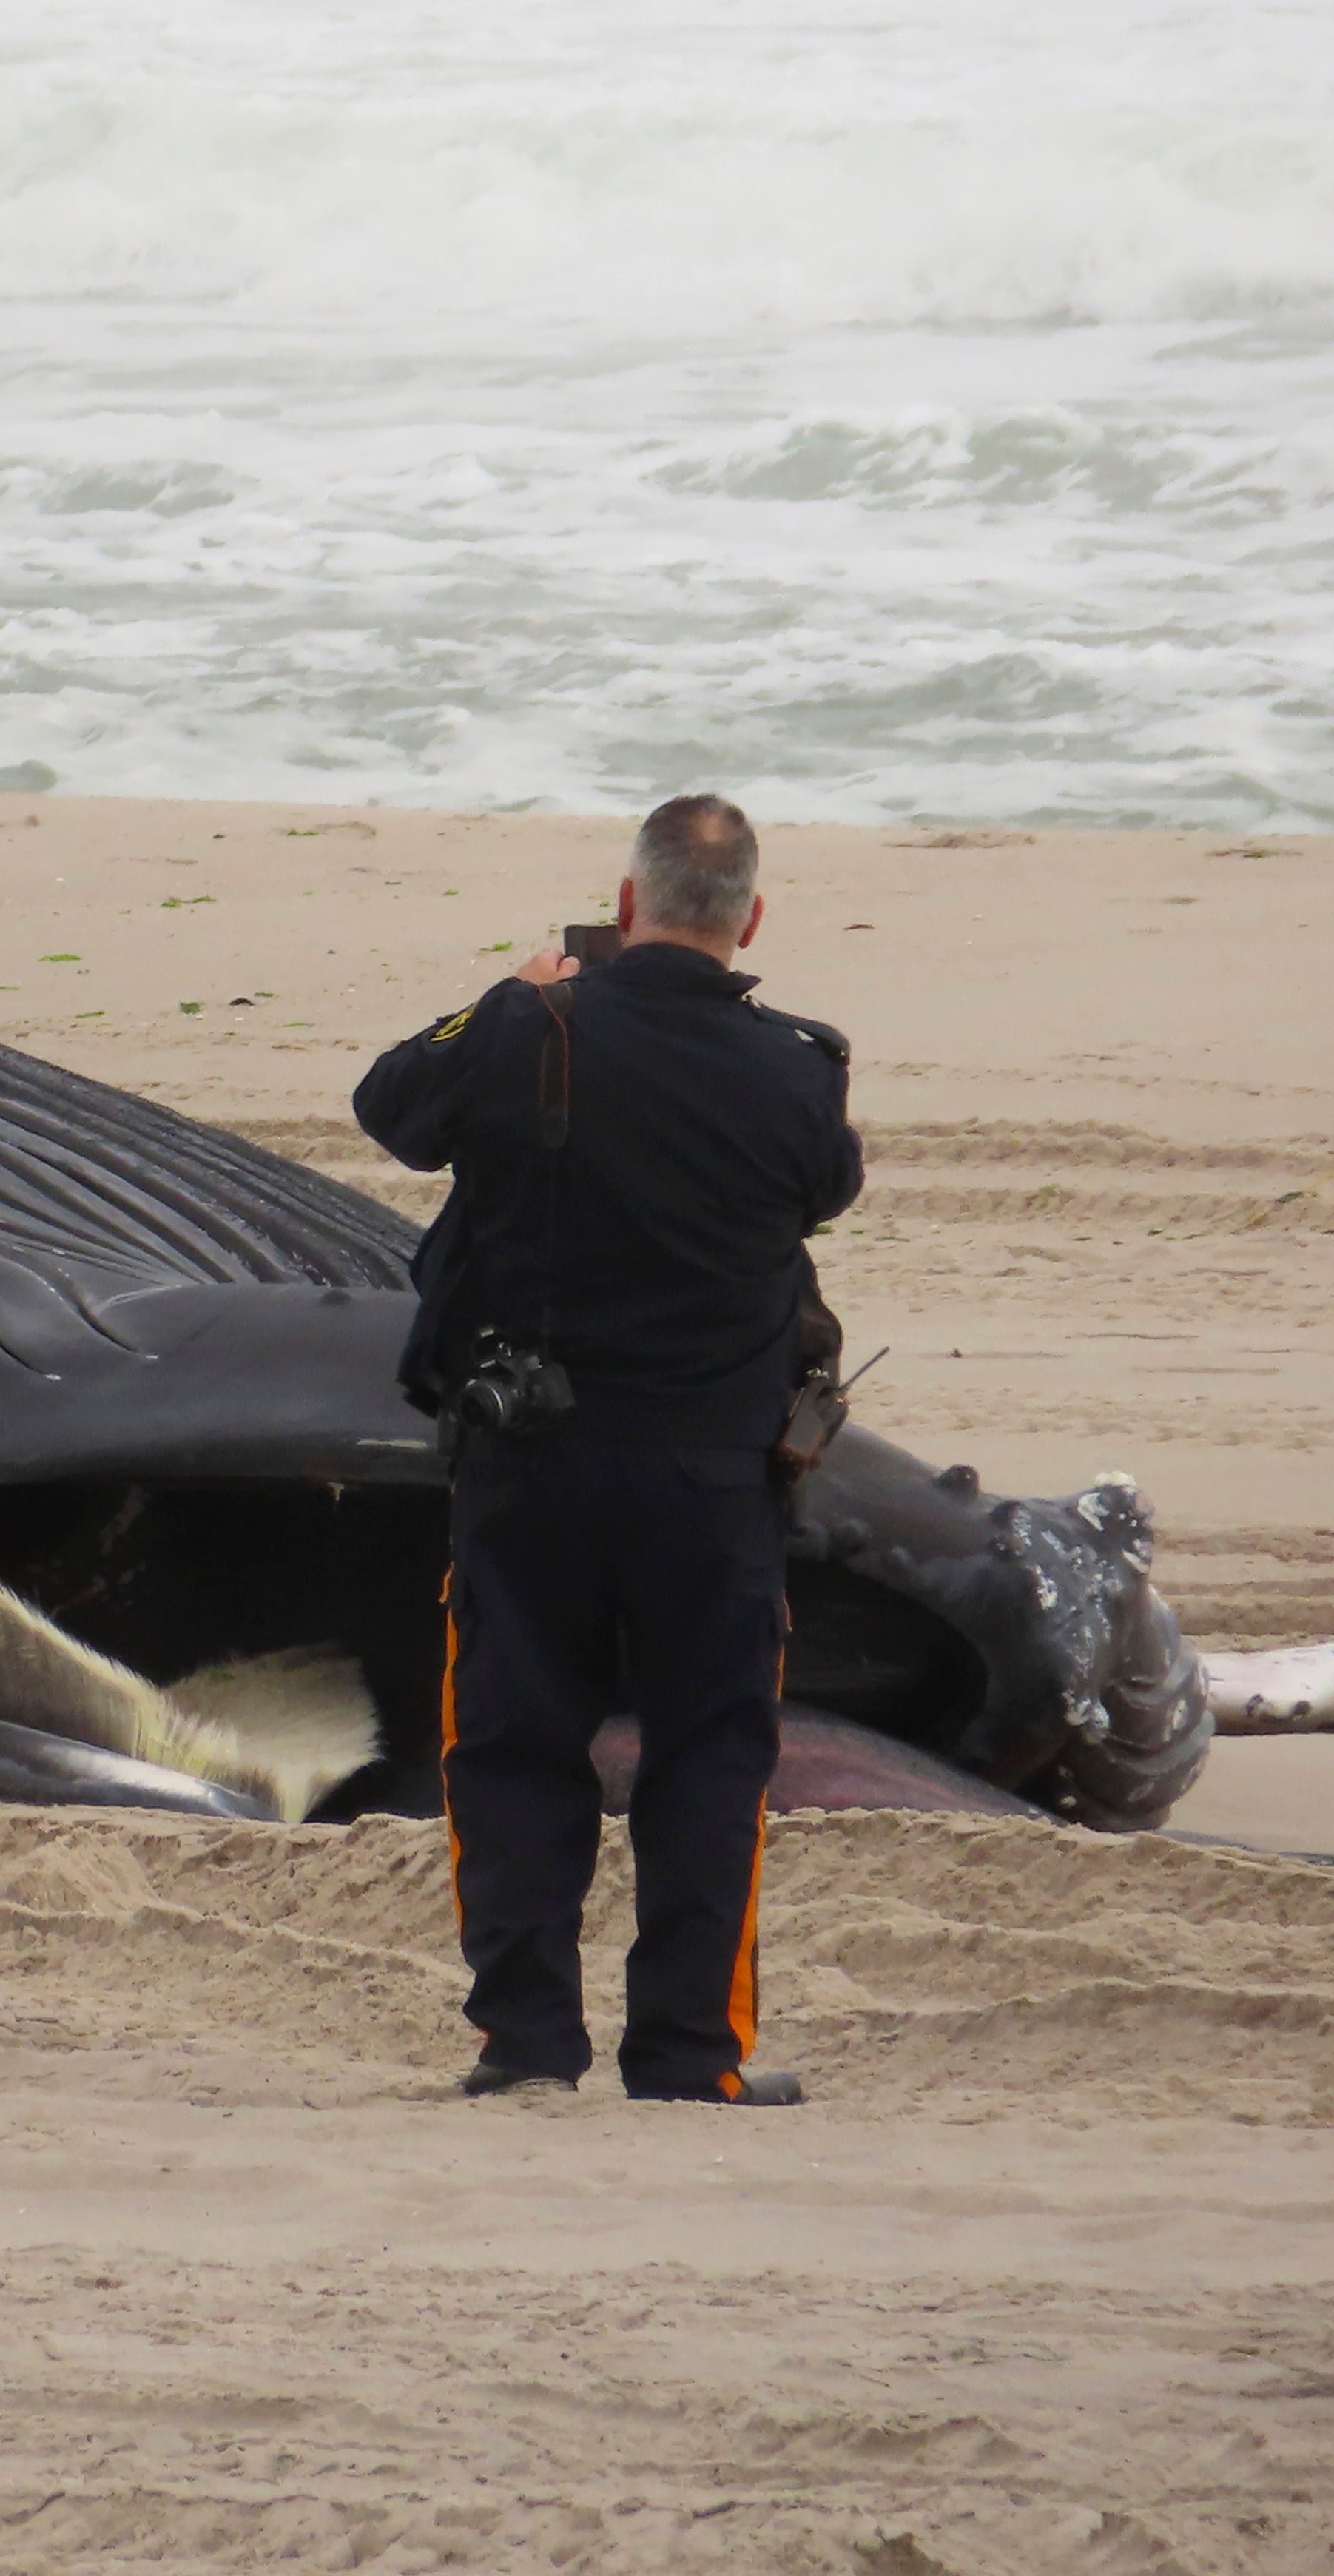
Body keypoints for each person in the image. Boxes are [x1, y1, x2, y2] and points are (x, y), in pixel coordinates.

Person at [353, 793, 861, 2109]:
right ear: (749, 921)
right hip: (715, 1478)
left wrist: (511, 995)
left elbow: (390, 1105)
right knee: (712, 1757)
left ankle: (525, 2046)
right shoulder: (797, 1068)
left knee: (514, 1746)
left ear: (625, 908)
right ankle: (693, 2059)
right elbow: (827, 1186)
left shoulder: (530, 1028)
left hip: (536, 1460)